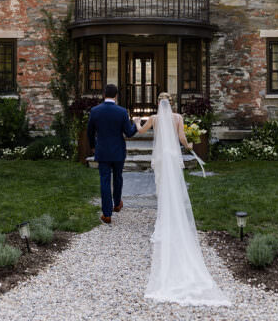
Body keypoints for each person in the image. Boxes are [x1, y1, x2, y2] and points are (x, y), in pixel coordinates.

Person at [133, 92, 230, 306]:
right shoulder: (178, 118)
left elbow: (140, 131)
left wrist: (136, 120)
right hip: (172, 156)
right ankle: (172, 215)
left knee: (162, 188)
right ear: (172, 103)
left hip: (160, 158)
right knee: (174, 187)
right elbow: (182, 138)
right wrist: (189, 147)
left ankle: (163, 219)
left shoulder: (155, 119)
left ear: (159, 103)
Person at [87, 84, 137, 224]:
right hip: (118, 151)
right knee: (118, 178)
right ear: (116, 96)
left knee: (104, 181)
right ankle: (116, 204)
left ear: (104, 95)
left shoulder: (95, 111)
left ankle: (107, 214)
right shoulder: (121, 111)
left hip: (102, 150)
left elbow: (90, 132)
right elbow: (129, 132)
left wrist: (92, 146)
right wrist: (136, 125)